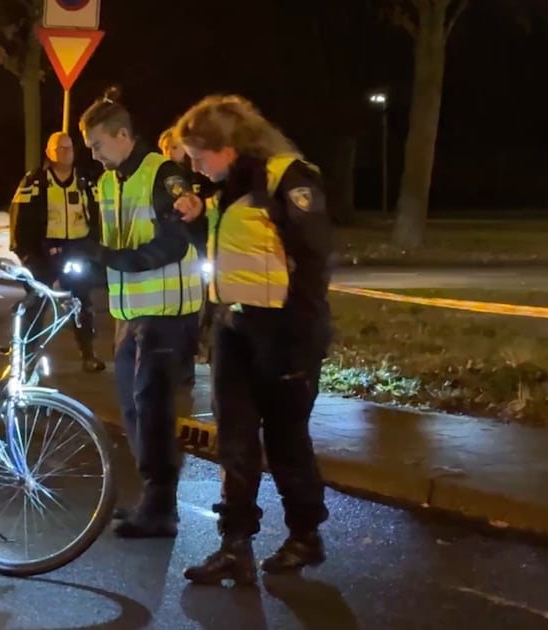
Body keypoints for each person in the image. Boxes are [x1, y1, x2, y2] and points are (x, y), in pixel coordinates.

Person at [170, 95, 334, 586]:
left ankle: (305, 536)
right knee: (235, 444)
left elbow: (312, 262)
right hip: (234, 332)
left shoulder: (290, 178)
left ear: (227, 145)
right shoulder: (230, 189)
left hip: (282, 334)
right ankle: (233, 546)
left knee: (287, 442)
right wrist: (200, 219)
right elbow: (234, 256)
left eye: (199, 156)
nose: (196, 166)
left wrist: (300, 345)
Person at [73, 88, 205, 538]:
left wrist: (113, 260)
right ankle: (153, 497)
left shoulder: (163, 175)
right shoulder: (109, 182)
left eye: (96, 146)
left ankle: (161, 507)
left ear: (123, 134)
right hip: (131, 314)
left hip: (169, 311)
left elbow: (176, 243)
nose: (92, 155)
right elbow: (106, 240)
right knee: (132, 408)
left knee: (151, 407)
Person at [9, 131, 106, 373]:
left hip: (77, 248)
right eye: (60, 148)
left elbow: (97, 214)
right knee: (36, 304)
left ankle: (88, 354)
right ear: (49, 152)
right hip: (43, 251)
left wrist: (94, 248)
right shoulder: (35, 181)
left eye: (69, 147)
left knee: (82, 302)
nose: (66, 152)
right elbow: (18, 217)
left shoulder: (85, 180)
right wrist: (26, 255)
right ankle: (26, 358)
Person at [158, 126, 221, 388]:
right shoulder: (163, 178)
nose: (171, 153)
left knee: (203, 308)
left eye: (175, 147)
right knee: (180, 313)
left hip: (201, 249)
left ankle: (195, 357)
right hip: (176, 254)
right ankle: (181, 365)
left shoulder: (199, 177)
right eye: (166, 149)